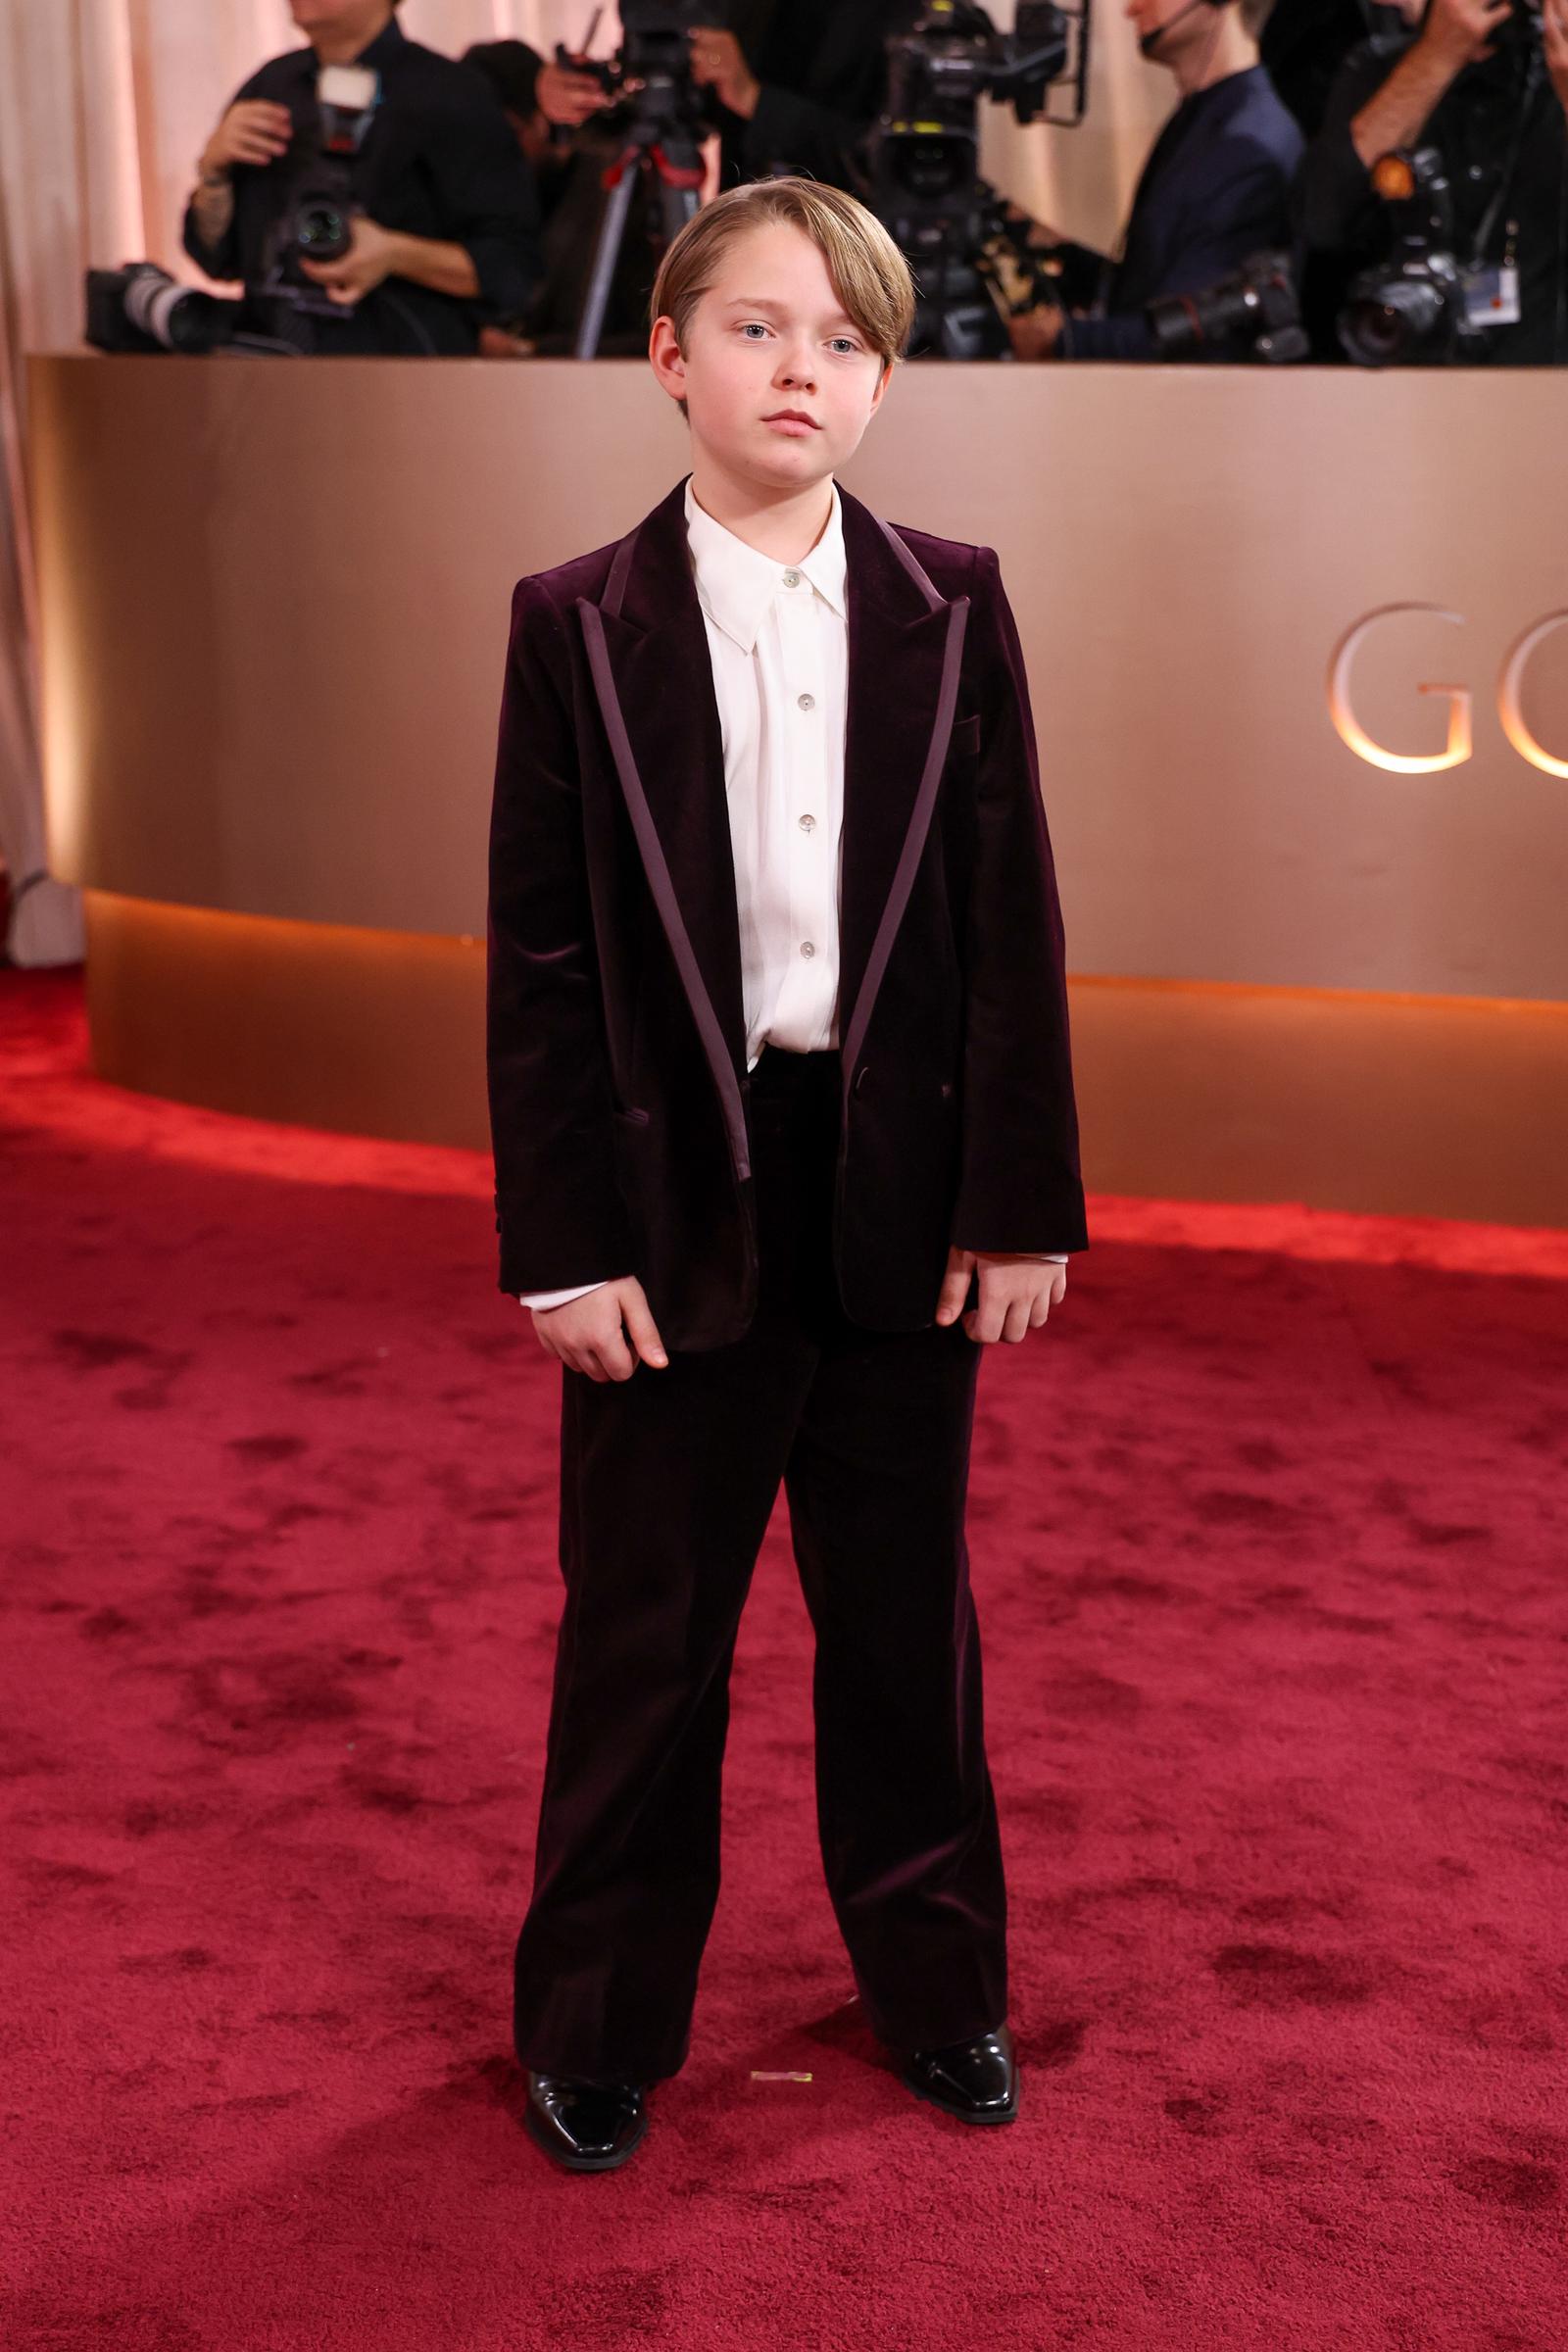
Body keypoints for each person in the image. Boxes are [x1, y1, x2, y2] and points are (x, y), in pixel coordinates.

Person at [485, 174, 1087, 2172]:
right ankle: (594, 2021)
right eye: (755, 327)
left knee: (903, 1622)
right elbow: (545, 961)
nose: (800, 368)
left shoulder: (954, 601)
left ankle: (938, 1987)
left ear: (884, 380)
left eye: (844, 339)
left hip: (902, 1196)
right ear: (665, 356)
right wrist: (562, 1250)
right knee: (646, 1631)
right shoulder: (573, 626)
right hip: (675, 1197)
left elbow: (1009, 922)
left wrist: (1019, 1202)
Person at [182, 0, 540, 355]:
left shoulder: (451, 93)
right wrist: (214, 174)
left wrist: (393, 253)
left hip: (405, 380)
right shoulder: (271, 85)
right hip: (272, 369)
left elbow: (512, 267)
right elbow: (216, 258)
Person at [1008, 0, 1304, 361]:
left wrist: (1064, 340)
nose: (1131, 9)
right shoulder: (1209, 117)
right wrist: (1057, 248)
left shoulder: (1247, 144)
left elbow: (1193, 331)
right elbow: (1155, 286)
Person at [1298, 0, 1568, 366]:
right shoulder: (1377, 70)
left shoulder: (1553, 76)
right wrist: (1438, 54)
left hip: (1540, 387)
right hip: (1405, 380)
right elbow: (1322, 219)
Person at [688, 2, 921, 195]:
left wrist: (755, 101)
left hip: (842, 234)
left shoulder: (912, 18)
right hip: (742, 214)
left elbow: (896, 165)